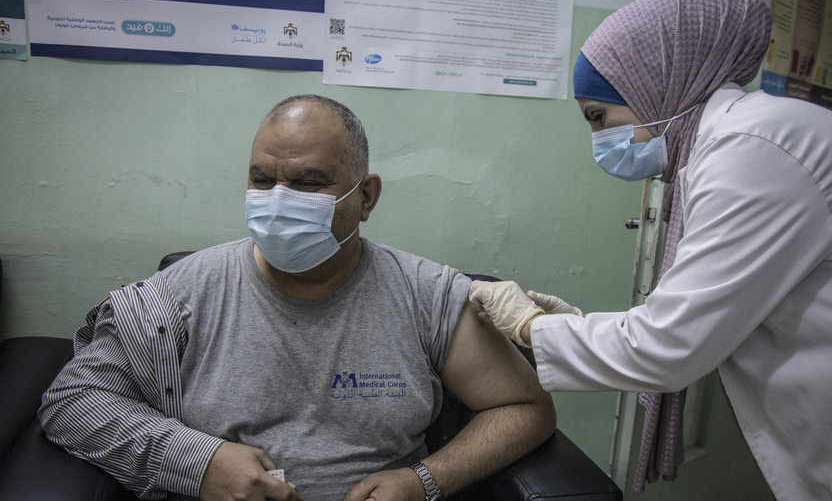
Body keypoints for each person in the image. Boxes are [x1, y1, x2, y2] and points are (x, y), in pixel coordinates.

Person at [468, 0, 832, 500]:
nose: (599, 140)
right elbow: (694, 316)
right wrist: (578, 324)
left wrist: (528, 326)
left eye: (599, 117)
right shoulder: (738, 143)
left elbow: (670, 347)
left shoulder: (753, 150)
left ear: (655, 86)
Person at [40, 94, 556, 501]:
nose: (278, 202)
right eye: (262, 180)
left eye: (308, 184)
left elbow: (525, 407)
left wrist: (422, 481)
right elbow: (73, 400)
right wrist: (197, 463)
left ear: (366, 196)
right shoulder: (182, 295)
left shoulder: (425, 295)